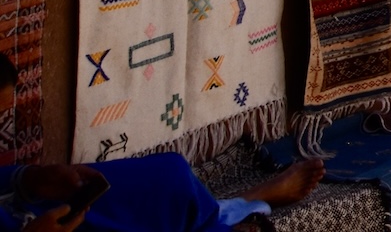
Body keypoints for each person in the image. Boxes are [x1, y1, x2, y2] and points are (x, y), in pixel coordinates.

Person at [0, 57, 323, 232]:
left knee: (169, 179)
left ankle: (232, 206)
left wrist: (27, 180)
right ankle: (242, 204)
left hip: (23, 208)